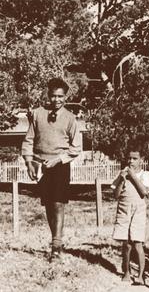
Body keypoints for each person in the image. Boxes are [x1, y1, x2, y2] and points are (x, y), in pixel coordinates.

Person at [21, 77, 82, 262]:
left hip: (60, 165)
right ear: (48, 96)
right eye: (54, 96)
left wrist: (59, 160)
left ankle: (56, 246)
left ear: (65, 97)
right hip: (41, 165)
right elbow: (29, 140)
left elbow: (76, 147)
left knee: (58, 203)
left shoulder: (71, 118)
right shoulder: (37, 114)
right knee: (48, 203)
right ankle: (55, 239)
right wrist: (29, 162)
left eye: (60, 96)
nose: (57, 100)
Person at [112, 150, 149, 285]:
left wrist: (133, 176)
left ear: (141, 160)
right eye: (129, 158)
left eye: (135, 158)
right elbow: (116, 195)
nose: (131, 161)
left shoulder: (145, 175)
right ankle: (127, 272)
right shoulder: (122, 175)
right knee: (126, 244)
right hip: (124, 209)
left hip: (138, 210)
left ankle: (141, 275)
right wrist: (122, 181)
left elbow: (144, 191)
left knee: (137, 243)